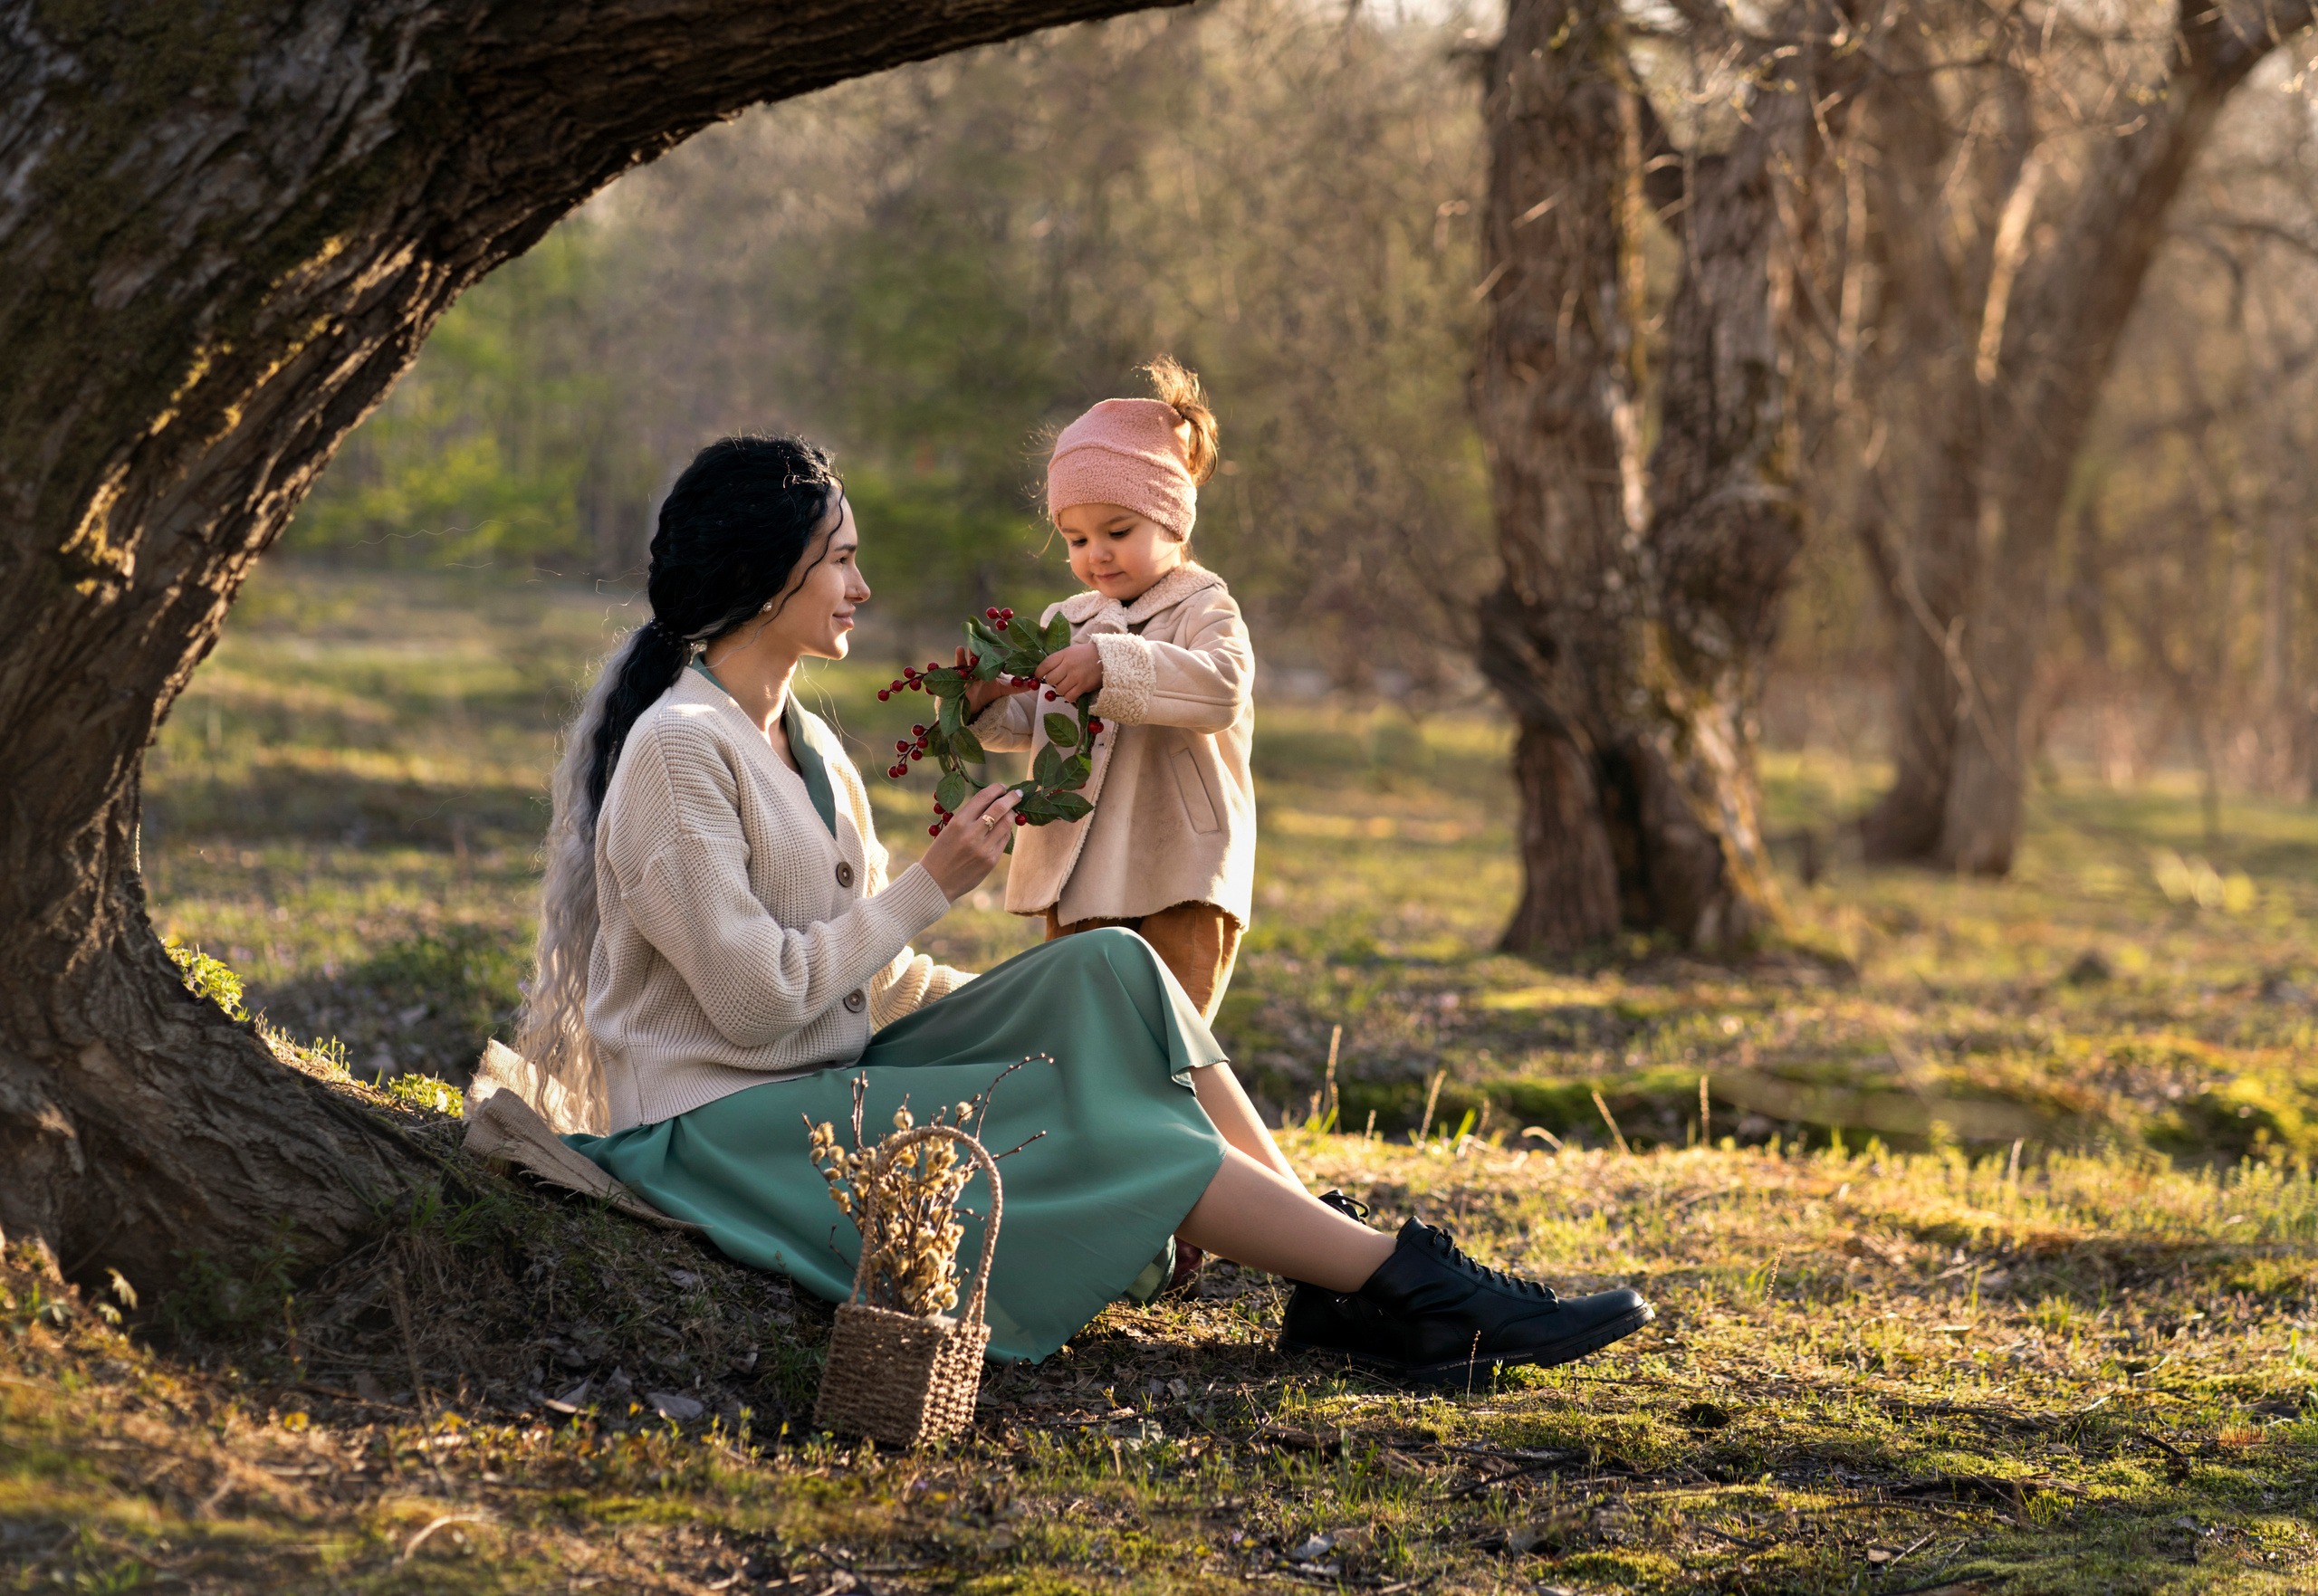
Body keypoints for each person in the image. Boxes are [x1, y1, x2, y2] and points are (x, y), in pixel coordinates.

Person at [517, 433, 1654, 1381]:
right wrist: (931, 887)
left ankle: (1335, 1269)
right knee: (1108, 1124)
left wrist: (1058, 1021)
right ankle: (1407, 1286)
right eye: (841, 563)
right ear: (771, 575)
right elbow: (754, 1000)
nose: (863, 589)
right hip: (715, 1131)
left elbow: (872, 980)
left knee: (1113, 971)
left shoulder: (805, 742)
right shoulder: (678, 749)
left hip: (809, 1078)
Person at [961, 358, 1250, 1027]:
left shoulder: (1205, 608)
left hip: (1180, 865)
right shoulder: (1069, 622)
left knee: (1167, 1041)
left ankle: (1182, 1132)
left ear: (1172, 520)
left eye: (1119, 532)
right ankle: (1088, 1131)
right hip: (1083, 869)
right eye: (1077, 538)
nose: (1098, 554)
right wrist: (987, 702)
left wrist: (1112, 666)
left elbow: (1222, 690)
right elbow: (1034, 720)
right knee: (1081, 1034)